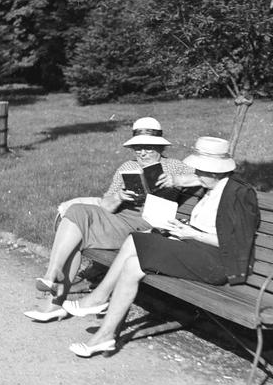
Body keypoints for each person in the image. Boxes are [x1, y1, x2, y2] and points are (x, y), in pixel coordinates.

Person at [64, 136, 260, 358]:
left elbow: (237, 245)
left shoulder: (240, 194)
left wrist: (192, 233)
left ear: (215, 171)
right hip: (195, 249)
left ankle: (98, 300)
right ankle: (105, 336)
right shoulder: (212, 187)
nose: (195, 175)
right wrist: (180, 228)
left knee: (137, 242)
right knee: (132, 262)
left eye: (200, 171)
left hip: (217, 263)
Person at [24, 117, 199, 322]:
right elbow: (106, 205)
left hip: (150, 226)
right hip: (123, 220)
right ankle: (51, 277)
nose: (142, 153)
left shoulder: (174, 167)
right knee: (77, 211)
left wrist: (178, 180)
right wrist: (119, 197)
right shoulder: (127, 166)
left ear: (160, 147)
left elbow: (210, 179)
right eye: (137, 148)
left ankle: (54, 302)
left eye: (148, 148)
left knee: (78, 236)